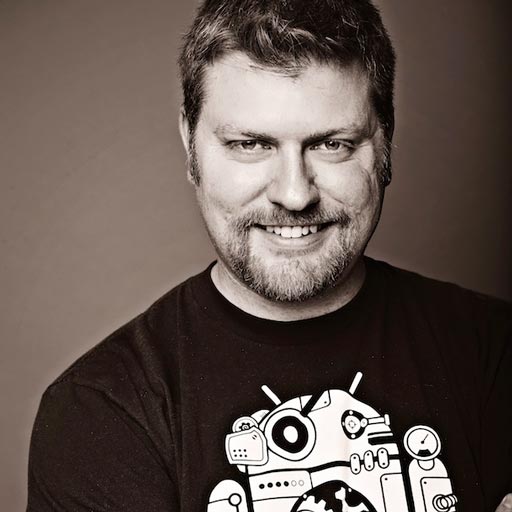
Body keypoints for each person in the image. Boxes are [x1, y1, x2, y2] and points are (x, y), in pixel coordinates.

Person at [27, 0, 511, 511]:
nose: (295, 195)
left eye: (332, 144)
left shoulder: (494, 353)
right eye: (250, 145)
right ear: (190, 145)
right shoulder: (101, 410)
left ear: (385, 140)